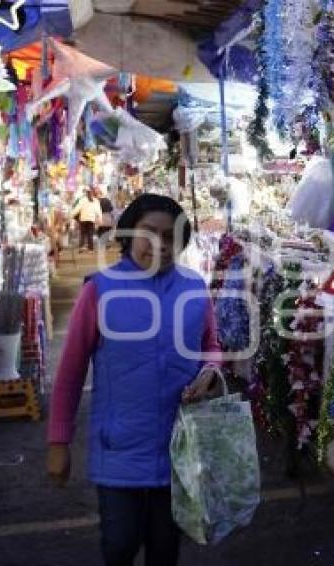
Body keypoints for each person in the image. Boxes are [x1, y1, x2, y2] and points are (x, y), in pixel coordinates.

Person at [46, 194, 222, 566]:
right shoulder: (100, 290)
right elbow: (71, 372)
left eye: (170, 235)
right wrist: (58, 442)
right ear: (128, 234)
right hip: (119, 447)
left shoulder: (194, 289)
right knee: (119, 544)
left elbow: (212, 346)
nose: (159, 243)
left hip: (178, 448)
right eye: (149, 232)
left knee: (165, 548)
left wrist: (210, 371)